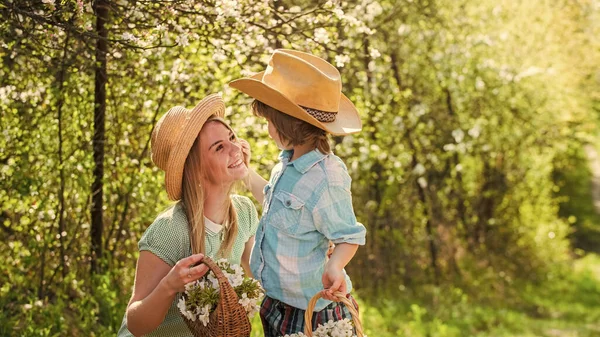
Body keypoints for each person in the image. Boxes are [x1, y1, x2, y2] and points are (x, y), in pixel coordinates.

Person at [229, 49, 366, 336]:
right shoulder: (287, 164)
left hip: (313, 313)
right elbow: (274, 203)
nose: (267, 130)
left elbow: (349, 236)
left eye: (269, 122)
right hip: (277, 306)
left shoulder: (327, 176)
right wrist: (244, 171)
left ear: (286, 123)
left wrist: (335, 265)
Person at [117, 94, 259, 337]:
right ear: (197, 169)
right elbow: (136, 322)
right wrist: (169, 286)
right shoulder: (169, 230)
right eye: (219, 147)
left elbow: (262, 274)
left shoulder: (244, 212)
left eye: (232, 137)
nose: (237, 148)